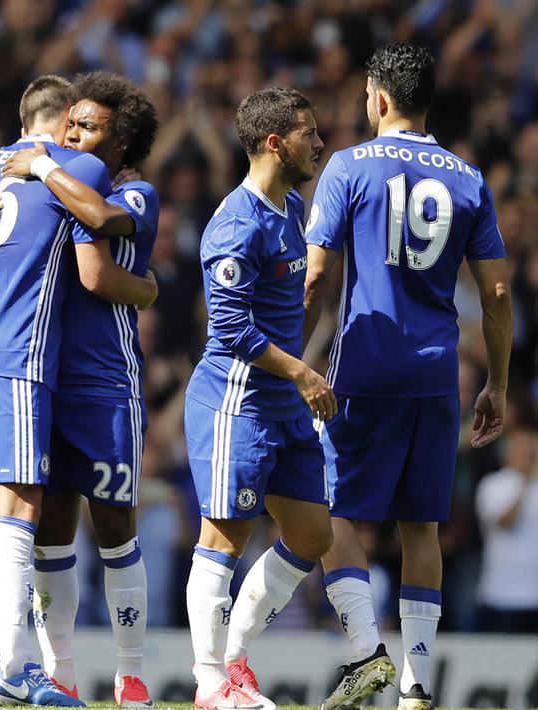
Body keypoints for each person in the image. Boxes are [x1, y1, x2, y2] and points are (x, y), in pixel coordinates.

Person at [303, 43, 512, 710]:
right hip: (435, 374)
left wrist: (280, 357)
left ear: (381, 99)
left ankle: (366, 653)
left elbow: (313, 275)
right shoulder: (468, 177)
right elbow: (498, 292)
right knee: (419, 527)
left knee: (331, 511)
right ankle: (418, 686)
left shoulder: (347, 167)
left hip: (362, 364)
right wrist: (497, 384)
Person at [0, 75, 154, 708]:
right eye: (73, 124)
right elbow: (87, 270)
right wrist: (152, 292)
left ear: (120, 143)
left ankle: (126, 672)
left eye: (89, 129)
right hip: (31, 365)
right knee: (31, 520)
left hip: (95, 380)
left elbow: (92, 258)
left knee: (85, 523)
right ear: (58, 121)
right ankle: (26, 668)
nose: (76, 136)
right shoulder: (63, 169)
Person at [182, 87, 333, 710]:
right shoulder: (237, 223)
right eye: (309, 134)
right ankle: (209, 681)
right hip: (236, 403)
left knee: (314, 534)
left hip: (281, 403)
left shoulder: (291, 208)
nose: (320, 144)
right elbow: (231, 330)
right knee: (223, 538)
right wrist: (300, 370)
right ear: (276, 143)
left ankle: (236, 651)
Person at [475, 428, 538, 635]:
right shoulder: (493, 484)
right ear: (508, 454)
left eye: (532, 451)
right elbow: (506, 521)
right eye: (523, 451)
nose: (528, 456)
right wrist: (525, 484)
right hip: (504, 594)